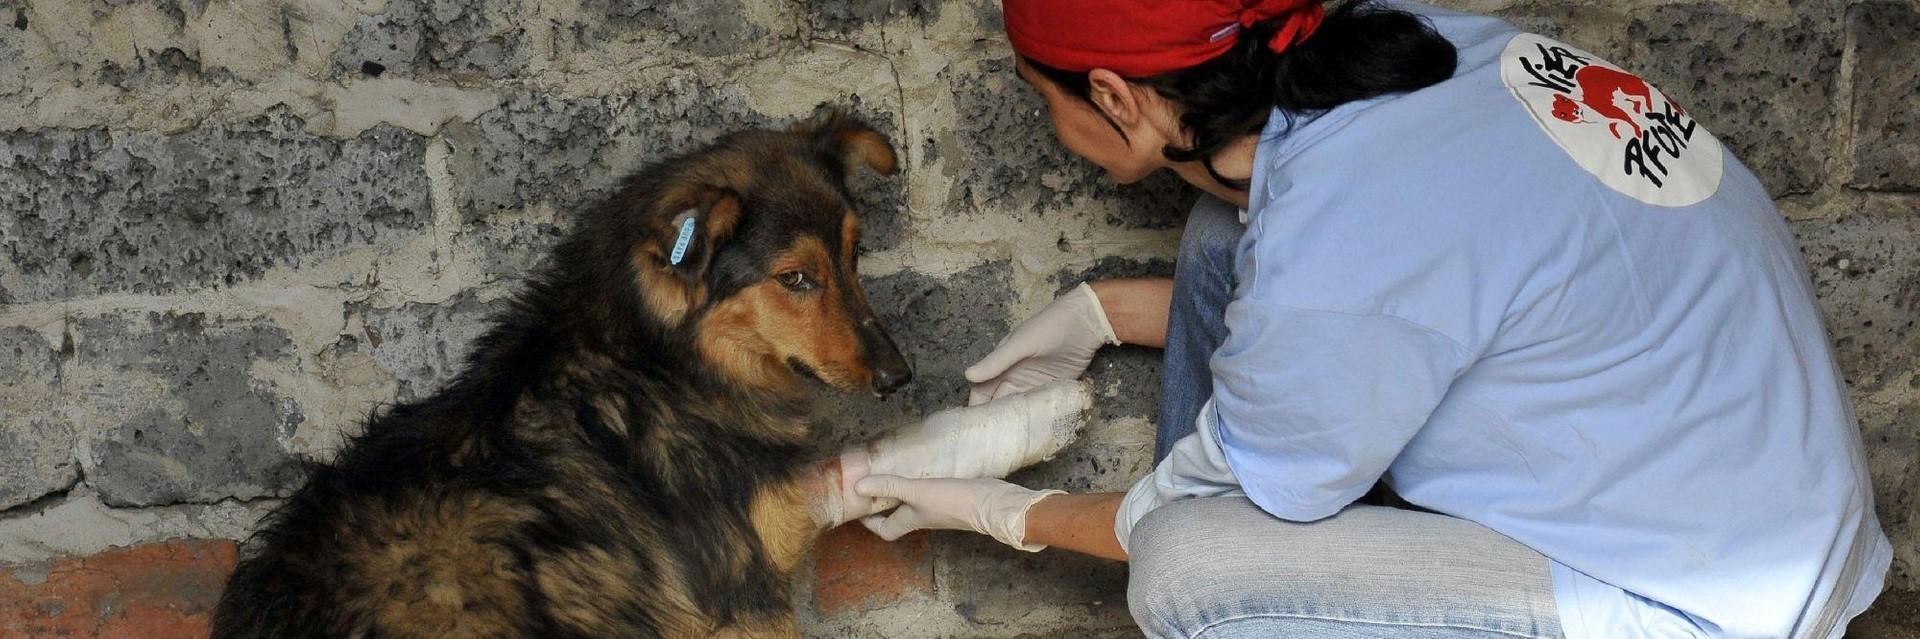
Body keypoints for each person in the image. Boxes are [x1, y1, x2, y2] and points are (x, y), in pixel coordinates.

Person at [848, 0, 1893, 637]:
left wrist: (987, 507)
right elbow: (1388, 306)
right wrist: (1107, 312)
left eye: (1049, 100)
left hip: (1705, 601)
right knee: (1224, 237)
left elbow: (1175, 511)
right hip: (1747, 488)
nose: (1052, 124)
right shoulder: (1422, 49)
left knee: (1192, 572)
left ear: (1119, 99)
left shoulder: (1342, 239)